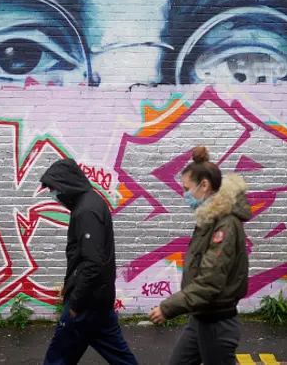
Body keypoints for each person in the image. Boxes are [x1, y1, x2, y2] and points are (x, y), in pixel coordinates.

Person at [148, 146, 252, 365]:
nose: (185, 194)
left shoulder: (225, 225)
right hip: (201, 318)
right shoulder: (210, 219)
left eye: (187, 188)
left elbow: (210, 281)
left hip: (217, 323)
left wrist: (168, 308)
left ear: (204, 185)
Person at [40, 158, 138, 365]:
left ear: (65, 184)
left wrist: (75, 301)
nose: (53, 194)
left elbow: (93, 262)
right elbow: (84, 258)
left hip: (87, 304)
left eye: (54, 188)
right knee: (119, 356)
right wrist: (69, 284)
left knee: (57, 358)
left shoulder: (86, 211)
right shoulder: (90, 203)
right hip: (98, 300)